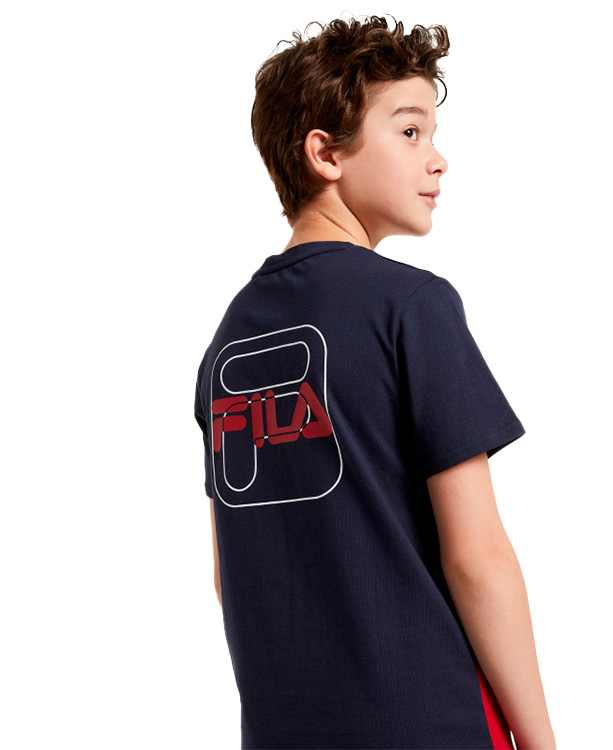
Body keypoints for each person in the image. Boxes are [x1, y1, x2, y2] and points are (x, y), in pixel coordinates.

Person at [194, 15, 555, 750]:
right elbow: (477, 559)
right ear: (325, 154)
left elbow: (233, 572)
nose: (439, 160)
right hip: (430, 724)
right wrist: (541, 740)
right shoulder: (412, 307)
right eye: (411, 132)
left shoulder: (230, 339)